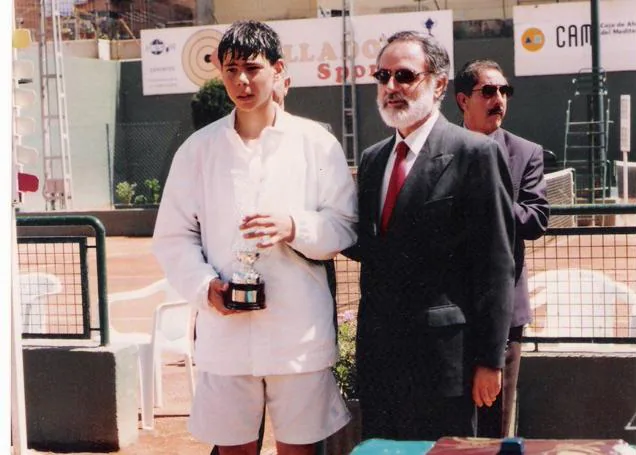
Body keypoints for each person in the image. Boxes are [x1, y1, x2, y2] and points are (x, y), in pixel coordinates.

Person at [152, 20, 357, 455]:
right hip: (225, 333)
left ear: (278, 69)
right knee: (232, 449)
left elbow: (343, 226)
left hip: (297, 332)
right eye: (230, 70)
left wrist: (294, 226)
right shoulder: (198, 150)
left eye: (252, 68)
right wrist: (205, 287)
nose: (241, 81)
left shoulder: (316, 143)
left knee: (299, 450)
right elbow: (173, 236)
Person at [346, 30, 515, 441]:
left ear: (439, 84)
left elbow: (496, 265)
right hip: (381, 364)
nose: (390, 87)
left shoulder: (475, 154)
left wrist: (491, 361)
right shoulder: (373, 160)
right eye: (382, 76)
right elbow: (371, 248)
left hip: (446, 368)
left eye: (404, 76)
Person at [454, 59, 549, 437]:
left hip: (504, 315)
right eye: (488, 91)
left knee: (495, 426)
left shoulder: (526, 153)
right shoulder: (441, 148)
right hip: (449, 313)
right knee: (451, 427)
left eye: (504, 91)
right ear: (463, 99)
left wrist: (490, 197)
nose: (499, 99)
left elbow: (535, 220)